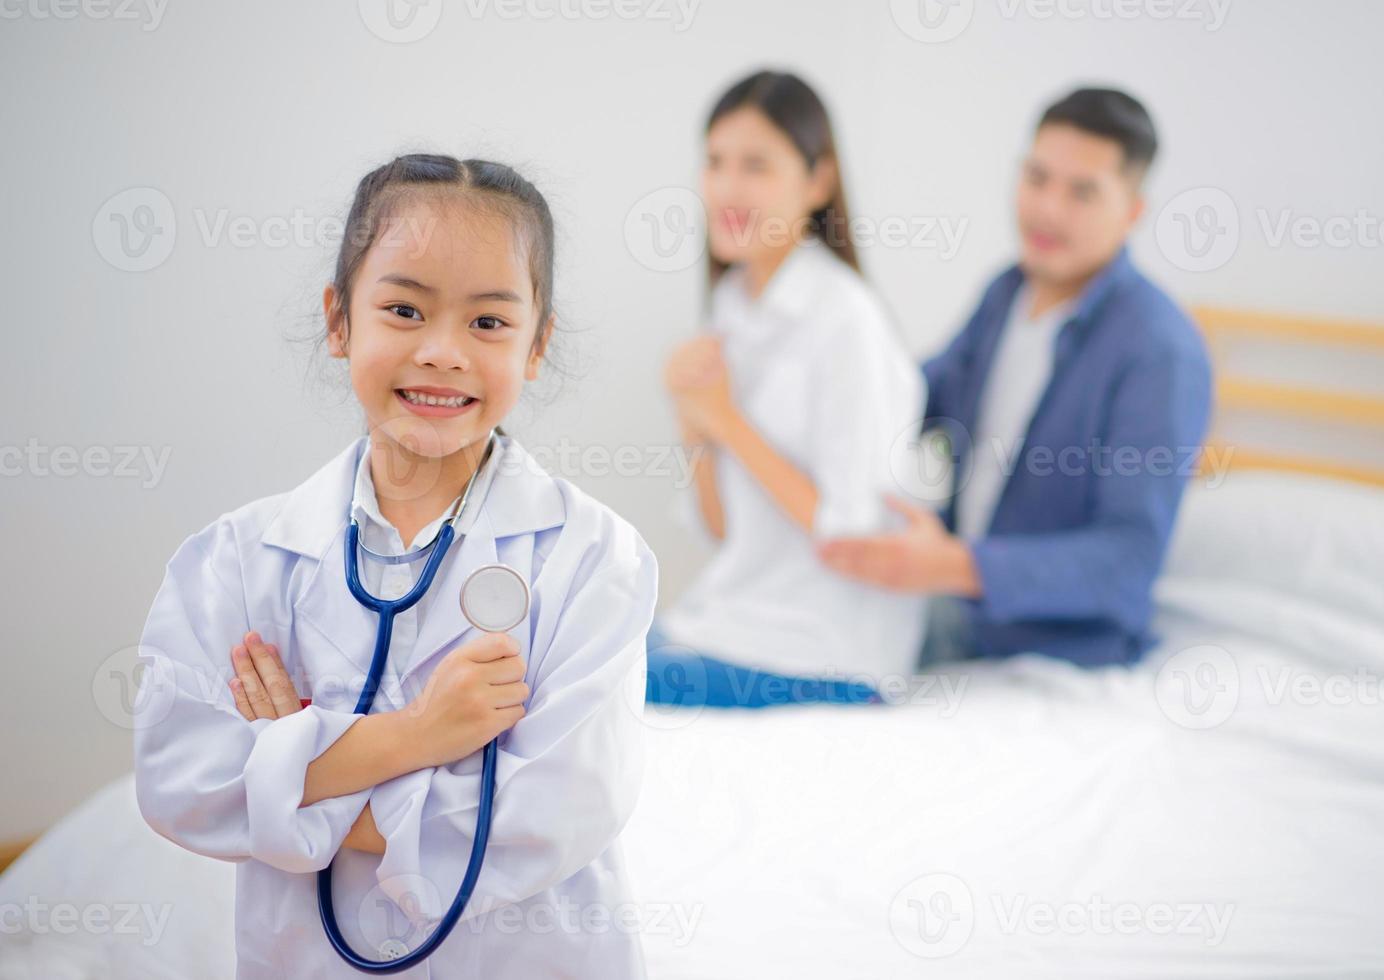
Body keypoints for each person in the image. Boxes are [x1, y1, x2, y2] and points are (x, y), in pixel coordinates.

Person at [133, 155, 658, 977]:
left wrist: (291, 764)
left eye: (488, 323)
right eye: (404, 309)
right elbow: (181, 782)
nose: (443, 352)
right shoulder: (236, 560)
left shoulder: (594, 559)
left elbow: (555, 811)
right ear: (339, 320)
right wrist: (420, 736)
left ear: (537, 344)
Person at [819, 88, 1213, 668]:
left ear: (1131, 211)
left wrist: (952, 565)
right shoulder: (1007, 292)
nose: (1047, 209)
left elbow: (1127, 560)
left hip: (1045, 649)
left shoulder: (1161, 351)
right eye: (1037, 177)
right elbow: (917, 397)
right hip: (953, 609)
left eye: (1082, 192)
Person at [650, 69, 927, 707]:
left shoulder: (845, 318)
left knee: (576, 686)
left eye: (756, 165)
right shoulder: (733, 301)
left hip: (828, 648)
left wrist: (725, 423)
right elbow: (721, 529)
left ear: (818, 179)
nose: (726, 187)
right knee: (569, 655)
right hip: (738, 615)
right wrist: (693, 424)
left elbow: (850, 534)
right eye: (715, 162)